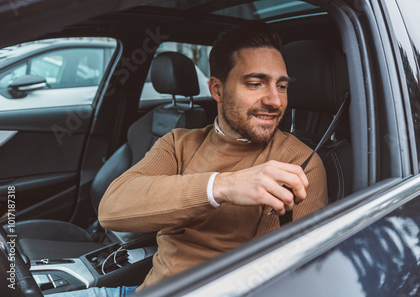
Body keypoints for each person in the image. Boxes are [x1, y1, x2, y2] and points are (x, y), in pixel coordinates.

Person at [55, 22, 327, 296]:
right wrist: (220, 187)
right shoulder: (179, 142)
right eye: (256, 84)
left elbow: (273, 282)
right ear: (217, 90)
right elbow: (111, 209)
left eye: (281, 86)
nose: (275, 101)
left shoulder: (297, 165)